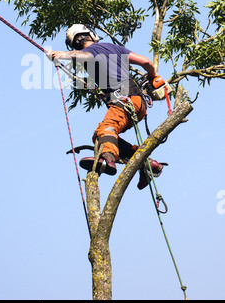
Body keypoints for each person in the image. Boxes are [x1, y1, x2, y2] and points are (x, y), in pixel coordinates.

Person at [46, 24, 166, 189]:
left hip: (124, 102)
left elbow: (84, 55)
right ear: (90, 34)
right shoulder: (113, 47)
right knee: (100, 137)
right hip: (138, 103)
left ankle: (107, 159)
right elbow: (146, 62)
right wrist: (154, 76)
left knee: (106, 130)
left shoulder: (93, 50)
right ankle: (145, 163)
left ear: (74, 44)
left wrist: (60, 54)